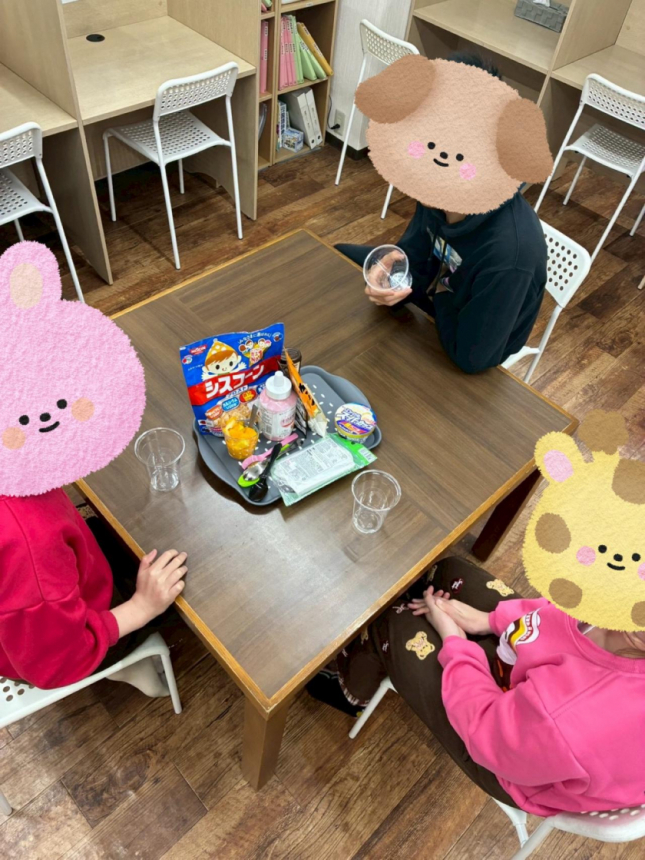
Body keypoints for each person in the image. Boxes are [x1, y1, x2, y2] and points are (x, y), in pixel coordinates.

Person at [308, 557, 645, 816]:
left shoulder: (574, 716)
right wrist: (489, 621)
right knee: (445, 569)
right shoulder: (619, 601)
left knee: (394, 619)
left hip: (506, 757)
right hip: (534, 702)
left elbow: (486, 729)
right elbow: (560, 614)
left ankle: (347, 691)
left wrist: (455, 641)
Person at [336, 53, 549, 375]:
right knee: (340, 256)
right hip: (440, 300)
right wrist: (394, 273)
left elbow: (473, 358)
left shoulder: (509, 257)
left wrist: (435, 289)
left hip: (468, 341)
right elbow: (413, 254)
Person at [0, 490, 188, 694]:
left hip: (69, 582)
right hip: (72, 643)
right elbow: (56, 663)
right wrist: (142, 607)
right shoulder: (27, 542)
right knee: (181, 600)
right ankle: (128, 668)